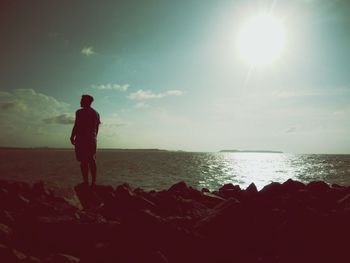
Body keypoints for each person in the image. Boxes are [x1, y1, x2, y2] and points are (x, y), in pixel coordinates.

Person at [70, 95, 101, 187]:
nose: (80, 102)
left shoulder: (79, 112)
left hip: (82, 139)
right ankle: (93, 182)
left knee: (84, 161)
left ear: (87, 101)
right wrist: (94, 137)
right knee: (92, 160)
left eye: (82, 100)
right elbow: (97, 128)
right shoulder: (96, 113)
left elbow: (76, 125)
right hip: (92, 139)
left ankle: (86, 182)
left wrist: (72, 136)